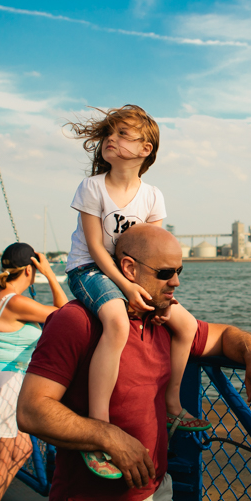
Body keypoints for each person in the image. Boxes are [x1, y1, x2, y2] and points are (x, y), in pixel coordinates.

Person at [17, 224, 251, 501]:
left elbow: (224, 337)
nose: (176, 282)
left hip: (160, 500)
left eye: (179, 270)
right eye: (166, 272)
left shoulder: (164, 319)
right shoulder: (76, 321)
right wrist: (108, 436)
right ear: (129, 268)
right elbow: (31, 410)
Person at [64, 105, 209, 480]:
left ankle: (172, 403)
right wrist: (126, 287)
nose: (111, 140)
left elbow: (155, 249)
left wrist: (162, 297)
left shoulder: (152, 196)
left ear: (145, 149)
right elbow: (97, 248)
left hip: (131, 275)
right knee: (116, 321)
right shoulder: (92, 187)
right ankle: (100, 429)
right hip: (89, 269)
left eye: (123, 135)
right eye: (109, 134)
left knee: (187, 324)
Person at [0, 242, 69, 501]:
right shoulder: (15, 302)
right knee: (2, 457)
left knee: (21, 448)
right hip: (6, 383)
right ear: (30, 269)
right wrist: (51, 276)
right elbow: (64, 314)